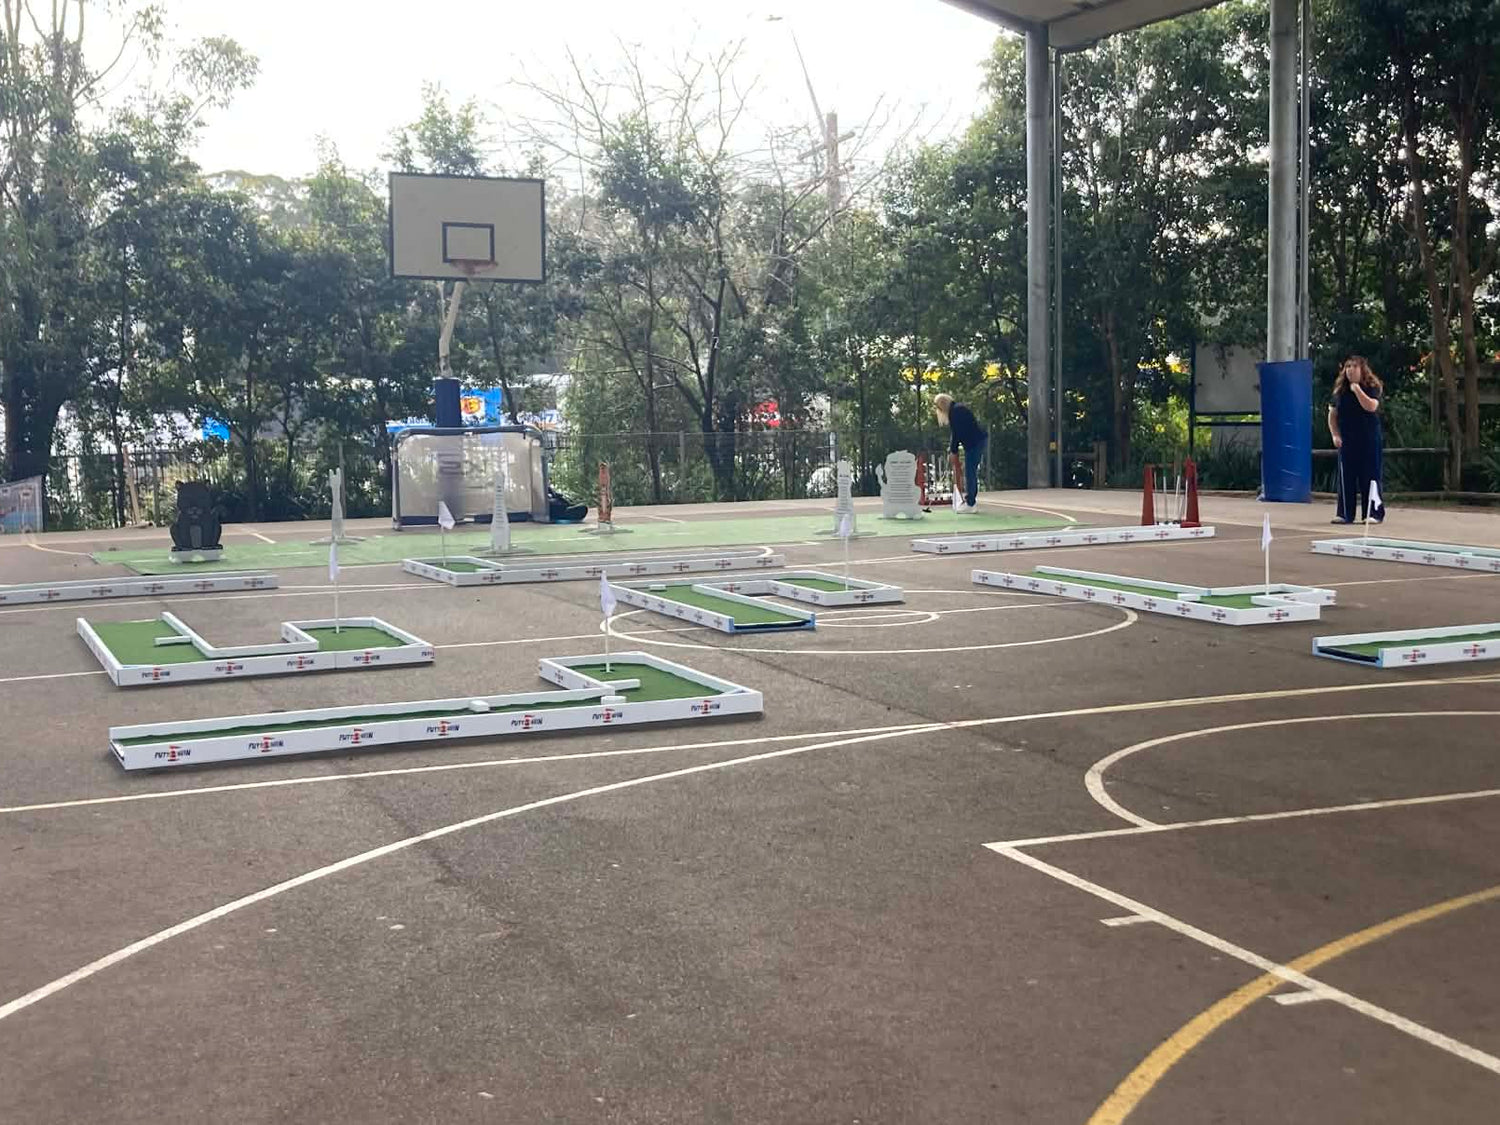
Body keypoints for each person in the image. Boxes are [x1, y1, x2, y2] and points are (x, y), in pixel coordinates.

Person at [1327, 355, 1385, 525]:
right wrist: (1335, 435)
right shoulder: (1339, 392)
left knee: (1370, 476)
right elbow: (1332, 415)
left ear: (1362, 370)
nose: (1350, 369)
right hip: (1347, 439)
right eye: (1348, 366)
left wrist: (1357, 389)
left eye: (1354, 366)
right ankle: (1345, 513)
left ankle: (1373, 512)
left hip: (1368, 438)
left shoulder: (1371, 387)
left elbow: (1371, 406)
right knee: (1347, 477)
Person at [933, 393, 988, 512]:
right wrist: (952, 449)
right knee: (970, 471)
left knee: (970, 472)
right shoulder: (957, 409)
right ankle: (970, 502)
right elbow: (956, 434)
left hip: (974, 443)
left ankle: (971, 504)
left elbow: (957, 433)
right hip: (975, 442)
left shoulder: (956, 412)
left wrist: (953, 451)